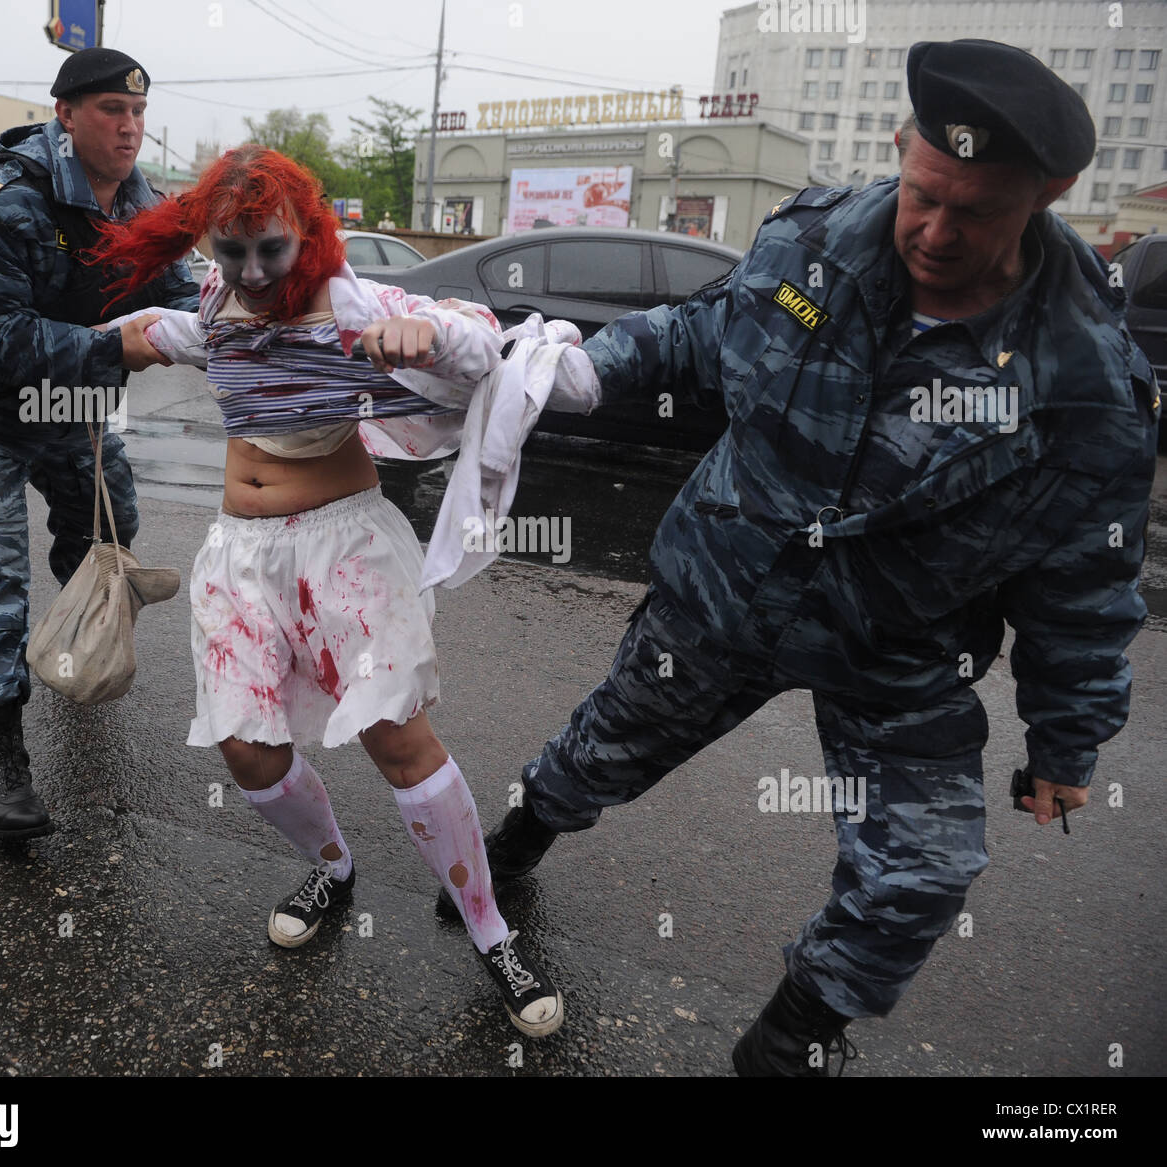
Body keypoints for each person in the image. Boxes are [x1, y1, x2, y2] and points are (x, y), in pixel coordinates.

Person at [461, 39, 1159, 1073]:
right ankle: (505, 855)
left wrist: (1064, 748)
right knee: (597, 754)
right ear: (901, 144)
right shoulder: (815, 239)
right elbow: (704, 331)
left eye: (974, 212)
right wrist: (577, 370)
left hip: (897, 646)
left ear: (1050, 192)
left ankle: (791, 1037)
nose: (932, 229)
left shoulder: (1085, 384)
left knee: (922, 872)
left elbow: (1084, 589)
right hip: (720, 591)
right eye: (925, 192)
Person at [89, 144, 564, 1038]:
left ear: (306, 230)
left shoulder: (352, 300)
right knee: (246, 751)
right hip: (239, 554)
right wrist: (93, 346)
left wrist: (431, 336)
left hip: (344, 548)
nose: (254, 271)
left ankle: (492, 933)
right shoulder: (215, 301)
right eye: (232, 251)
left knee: (398, 741)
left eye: (270, 247)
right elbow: (164, 331)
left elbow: (475, 341)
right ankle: (333, 865)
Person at [0, 48, 199, 840]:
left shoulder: (145, 208)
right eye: (110, 111)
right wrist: (117, 348)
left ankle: (79, 643)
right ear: (66, 115)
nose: (129, 127)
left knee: (109, 537)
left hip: (70, 411)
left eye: (137, 113)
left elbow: (187, 297)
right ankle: (4, 770)